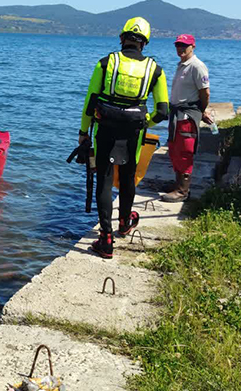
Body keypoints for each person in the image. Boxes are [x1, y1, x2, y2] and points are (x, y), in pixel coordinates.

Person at [78, 17, 169, 259]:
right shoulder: (155, 70)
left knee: (105, 179)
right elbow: (162, 111)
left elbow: (90, 103)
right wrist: (143, 123)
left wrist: (83, 132)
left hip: (105, 128)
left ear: (122, 38)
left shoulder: (106, 63)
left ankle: (105, 239)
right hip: (134, 131)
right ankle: (125, 223)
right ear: (144, 43)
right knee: (128, 176)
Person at [162, 34, 211, 203]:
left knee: (184, 151)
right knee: (174, 149)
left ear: (193, 47)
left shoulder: (197, 66)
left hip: (187, 116)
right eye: (178, 45)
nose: (181, 48)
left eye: (184, 45)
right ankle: (177, 184)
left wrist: (200, 111)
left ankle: (183, 190)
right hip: (177, 114)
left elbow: (205, 93)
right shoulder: (182, 65)